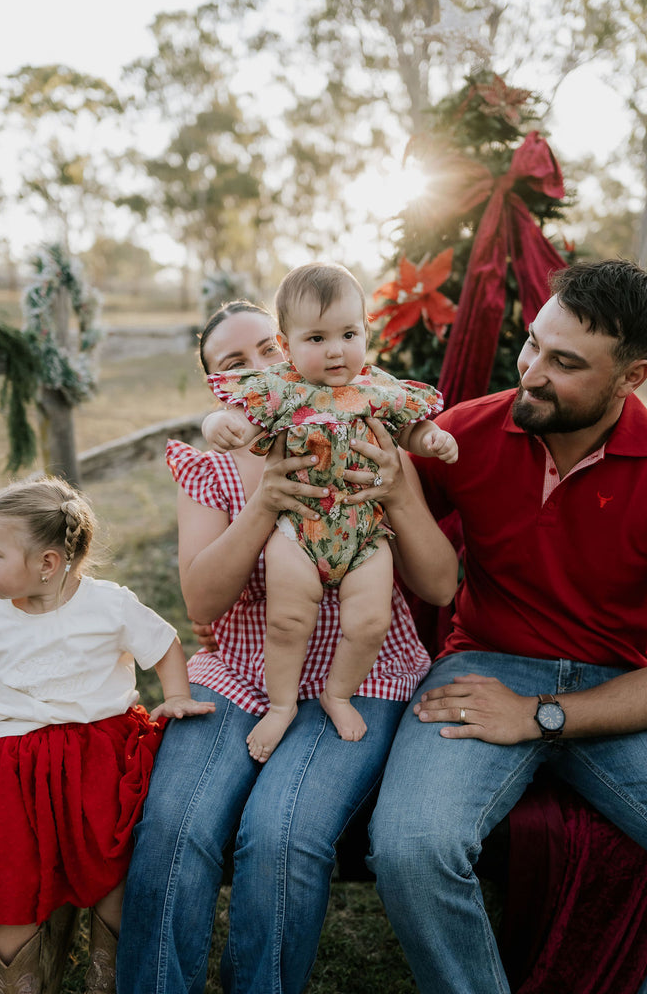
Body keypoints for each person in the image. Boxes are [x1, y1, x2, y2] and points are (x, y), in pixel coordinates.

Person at [116, 298, 458, 994]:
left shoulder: (368, 429)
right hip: (243, 670)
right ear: (217, 386)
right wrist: (264, 502)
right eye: (231, 363)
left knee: (280, 837)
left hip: (360, 675)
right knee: (174, 831)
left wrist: (397, 492)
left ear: (293, 350)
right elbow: (203, 604)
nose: (257, 368)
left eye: (267, 350)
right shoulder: (207, 469)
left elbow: (440, 585)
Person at [369, 258, 647, 994]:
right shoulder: (466, 433)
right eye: (533, 343)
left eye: (564, 363)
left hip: (621, 688)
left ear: (630, 378)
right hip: (482, 665)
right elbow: (364, 507)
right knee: (410, 847)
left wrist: (537, 716)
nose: (530, 371)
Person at [202, 264, 458, 761]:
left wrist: (432, 438)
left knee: (369, 622)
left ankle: (336, 692)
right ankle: (280, 706)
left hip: (365, 535)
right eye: (317, 337)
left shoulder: (376, 388)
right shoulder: (281, 388)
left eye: (348, 333)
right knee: (287, 621)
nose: (336, 349)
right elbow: (241, 414)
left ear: (366, 330)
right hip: (297, 530)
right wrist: (219, 422)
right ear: (288, 343)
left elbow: (410, 428)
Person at [0, 477, 214, 994]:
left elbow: (163, 641)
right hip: (14, 766)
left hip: (96, 757)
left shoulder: (108, 605)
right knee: (13, 880)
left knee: (111, 868)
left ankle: (107, 980)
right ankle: (19, 980)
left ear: (48, 562)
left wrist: (174, 694)